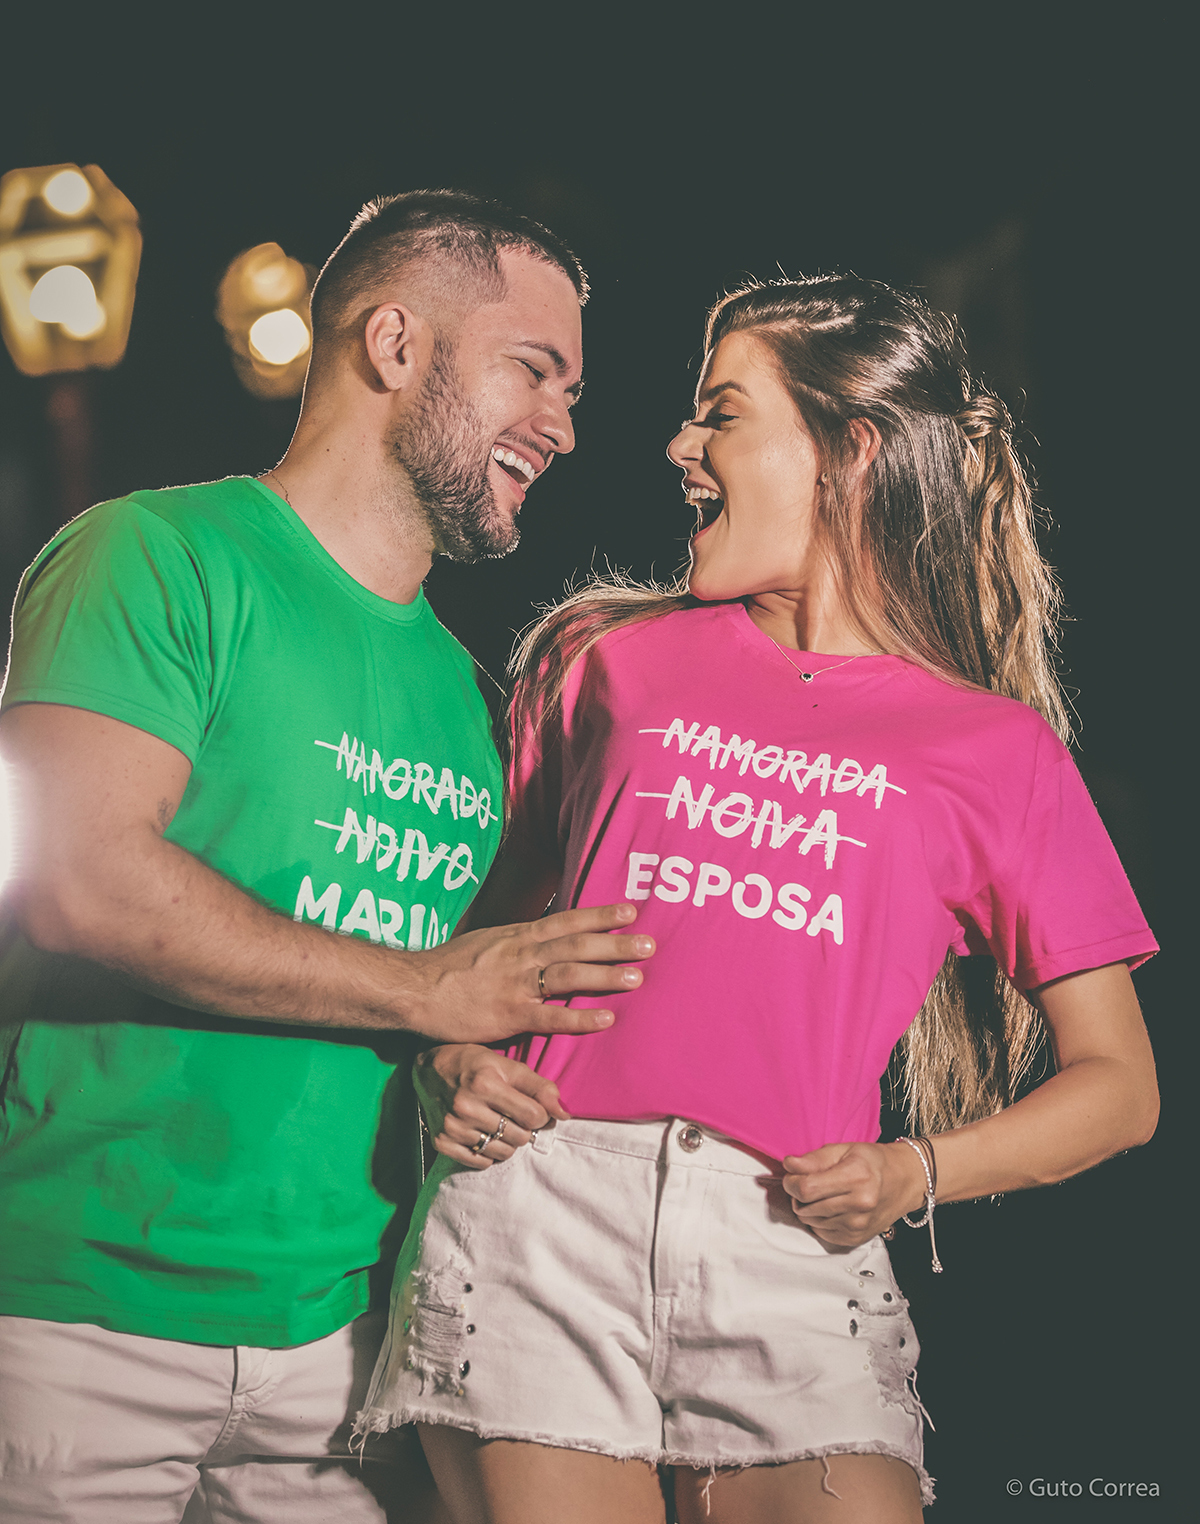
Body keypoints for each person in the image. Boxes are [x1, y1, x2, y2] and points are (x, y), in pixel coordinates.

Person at [355, 274, 1160, 1524]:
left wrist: (913, 1172)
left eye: (721, 413)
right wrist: (448, 1060)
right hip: (541, 1210)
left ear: (852, 448)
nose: (681, 444)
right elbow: (482, 953)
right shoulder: (607, 656)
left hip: (792, 1237)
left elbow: (1120, 1088)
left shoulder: (996, 751)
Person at [0, 190, 655, 1524]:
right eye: (534, 369)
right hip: (78, 1320)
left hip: (353, 1348)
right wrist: (430, 992)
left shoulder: (481, 700)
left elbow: (454, 1012)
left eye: (573, 392)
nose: (564, 425)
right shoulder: (156, 555)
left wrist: (454, 1061)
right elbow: (78, 880)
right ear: (394, 343)